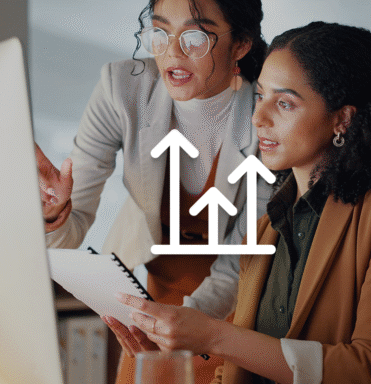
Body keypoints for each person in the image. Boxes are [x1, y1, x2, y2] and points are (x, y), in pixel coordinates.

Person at [106, 21, 371, 383]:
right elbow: (237, 367)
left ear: (342, 119)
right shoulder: (267, 225)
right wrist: (173, 351)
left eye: (284, 103)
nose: (259, 118)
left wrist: (213, 335)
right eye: (260, 97)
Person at [35, 0, 268, 382]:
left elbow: (240, 261)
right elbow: (69, 232)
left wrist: (183, 328)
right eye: (159, 32)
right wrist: (53, 211)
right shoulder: (121, 88)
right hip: (154, 299)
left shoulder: (267, 115)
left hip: (241, 306)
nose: (172, 52)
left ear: (240, 44)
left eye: (195, 36)